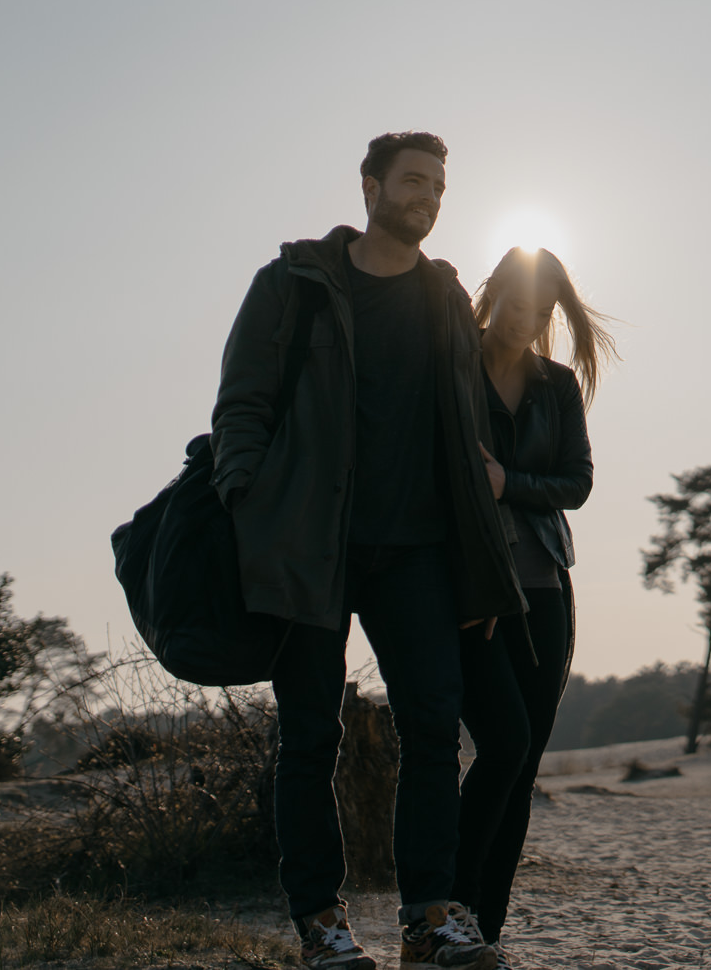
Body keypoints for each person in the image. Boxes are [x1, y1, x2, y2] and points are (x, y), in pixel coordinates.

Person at [211, 132, 522, 970]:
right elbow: (241, 404)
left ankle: (429, 917)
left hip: (417, 551)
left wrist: (482, 562)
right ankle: (321, 925)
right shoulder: (296, 285)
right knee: (311, 738)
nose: (427, 196)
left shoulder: (444, 296)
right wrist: (247, 501)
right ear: (370, 187)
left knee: (432, 728)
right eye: (413, 181)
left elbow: (464, 435)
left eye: (439, 186)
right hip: (312, 547)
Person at [454, 247, 614, 952]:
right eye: (515, 306)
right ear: (492, 297)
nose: (524, 322)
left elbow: (575, 484)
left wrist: (508, 484)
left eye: (540, 312)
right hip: (471, 594)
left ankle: (484, 929)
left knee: (520, 770)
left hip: (545, 589)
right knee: (503, 745)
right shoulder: (451, 370)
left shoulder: (556, 387)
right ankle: (447, 912)